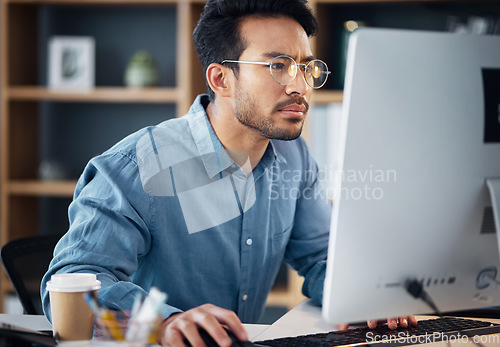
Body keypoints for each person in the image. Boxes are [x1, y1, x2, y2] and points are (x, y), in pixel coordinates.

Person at [41, 0, 415, 346]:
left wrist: (363, 295)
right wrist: (164, 322)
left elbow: (320, 258)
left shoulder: (293, 154)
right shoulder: (136, 167)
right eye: (278, 65)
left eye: (305, 67)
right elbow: (70, 286)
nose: (300, 86)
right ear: (221, 79)